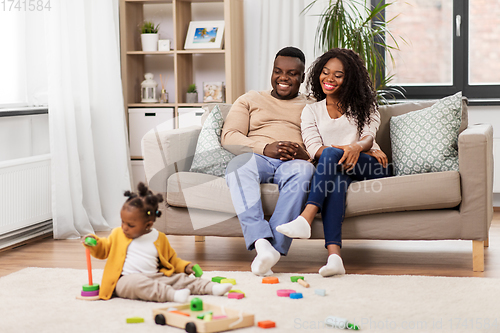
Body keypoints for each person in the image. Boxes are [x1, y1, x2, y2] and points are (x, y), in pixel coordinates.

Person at [276, 48, 391, 277]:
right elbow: (314, 148)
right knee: (336, 180)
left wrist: (357, 147)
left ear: (350, 79)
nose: (329, 78)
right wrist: (346, 150)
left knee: (330, 156)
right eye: (326, 72)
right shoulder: (311, 111)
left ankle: (306, 217)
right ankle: (334, 257)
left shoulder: (365, 106)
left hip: (369, 164)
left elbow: (368, 137)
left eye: (338, 75)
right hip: (337, 169)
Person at [222, 46, 315, 276]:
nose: (283, 78)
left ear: (302, 78)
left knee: (304, 172)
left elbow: (326, 141)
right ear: (272, 72)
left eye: (292, 73)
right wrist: (266, 148)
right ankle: (261, 243)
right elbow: (229, 136)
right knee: (238, 166)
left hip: (294, 161)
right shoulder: (250, 99)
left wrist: (307, 155)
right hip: (258, 157)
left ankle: (271, 251)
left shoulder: (314, 105)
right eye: (278, 71)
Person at [83, 182, 233, 302]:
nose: (124, 227)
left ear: (148, 225)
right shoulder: (117, 234)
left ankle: (211, 287)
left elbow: (171, 259)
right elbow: (103, 249)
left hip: (156, 275)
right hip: (126, 279)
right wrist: (95, 243)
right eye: (123, 222)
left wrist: (185, 266)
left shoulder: (158, 238)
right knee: (137, 284)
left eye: (130, 225)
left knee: (180, 279)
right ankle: (171, 295)